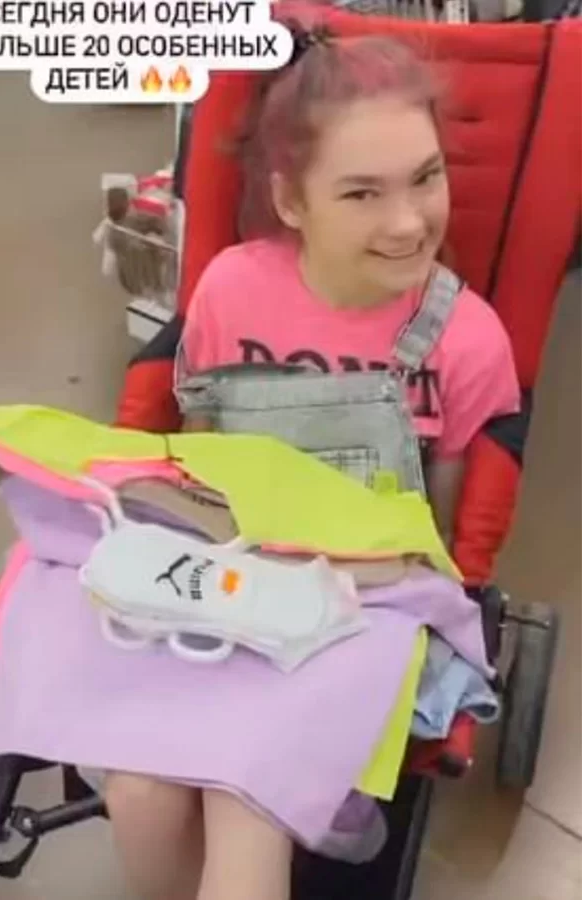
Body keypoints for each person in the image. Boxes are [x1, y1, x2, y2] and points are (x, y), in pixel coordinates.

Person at [102, 24, 521, 900]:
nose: (408, 222)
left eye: (427, 178)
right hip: (225, 580)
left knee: (244, 798)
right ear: (291, 201)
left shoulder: (467, 342)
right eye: (362, 193)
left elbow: (442, 549)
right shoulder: (230, 291)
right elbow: (193, 467)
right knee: (137, 793)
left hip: (365, 610)